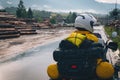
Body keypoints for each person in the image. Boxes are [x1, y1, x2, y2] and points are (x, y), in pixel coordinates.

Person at [47, 13, 115, 80]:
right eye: (92, 25)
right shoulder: (95, 39)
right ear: (88, 25)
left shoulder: (69, 38)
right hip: (89, 73)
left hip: (67, 73)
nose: (92, 27)